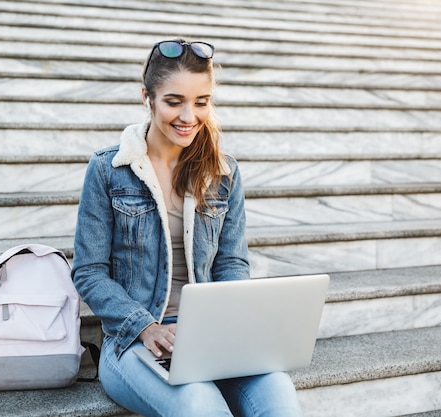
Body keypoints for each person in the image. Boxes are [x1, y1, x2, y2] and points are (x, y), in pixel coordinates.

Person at [72, 39, 303, 417]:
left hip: (211, 335)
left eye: (201, 102)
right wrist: (145, 326)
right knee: (200, 405)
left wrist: (234, 322)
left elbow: (230, 263)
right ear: (147, 97)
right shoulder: (108, 170)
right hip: (132, 341)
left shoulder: (223, 173)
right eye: (174, 101)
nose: (189, 116)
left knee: (280, 396)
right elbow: (89, 272)